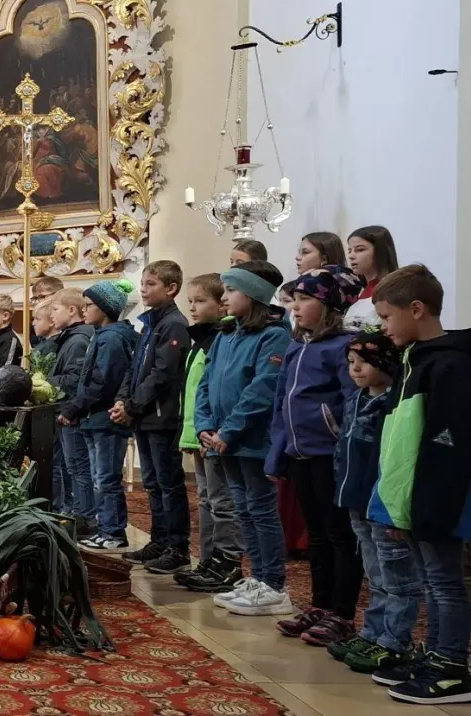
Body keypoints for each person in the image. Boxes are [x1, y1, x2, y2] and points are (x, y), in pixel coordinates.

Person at [366, 265, 471, 705]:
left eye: (386, 317)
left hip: (437, 498)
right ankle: (436, 655)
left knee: (444, 582)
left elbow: (448, 448)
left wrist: (428, 510)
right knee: (430, 578)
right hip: (412, 497)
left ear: (416, 309)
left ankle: (453, 668)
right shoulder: (414, 360)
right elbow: (402, 441)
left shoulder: (453, 363)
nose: (382, 327)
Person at [265, 265, 366, 644]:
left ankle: (342, 613)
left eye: (306, 299)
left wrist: (343, 448)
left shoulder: (342, 346)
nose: (296, 306)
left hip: (330, 455)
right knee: (318, 535)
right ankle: (320, 606)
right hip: (299, 453)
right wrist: (278, 455)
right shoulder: (296, 346)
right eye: (296, 298)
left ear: (330, 306)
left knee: (340, 535)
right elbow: (281, 404)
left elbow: (352, 401)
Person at [195, 260, 295, 617]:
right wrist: (204, 425)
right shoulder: (225, 334)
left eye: (232, 290)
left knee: (260, 510)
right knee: (242, 510)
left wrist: (229, 430)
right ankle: (257, 578)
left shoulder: (274, 335)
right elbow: (206, 383)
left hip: (250, 439)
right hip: (224, 439)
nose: (224, 296)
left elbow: (262, 390)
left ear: (254, 295)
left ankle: (274, 584)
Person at [329, 331, 419, 675]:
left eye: (363, 362)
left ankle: (396, 641)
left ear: (385, 363)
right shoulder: (355, 399)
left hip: (382, 501)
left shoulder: (392, 402)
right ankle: (373, 632)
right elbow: (344, 448)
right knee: (375, 573)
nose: (355, 369)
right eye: (351, 363)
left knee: (397, 576)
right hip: (356, 499)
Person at [114, 261, 193, 575]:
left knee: (168, 483)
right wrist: (123, 400)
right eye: (143, 284)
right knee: (152, 483)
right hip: (144, 416)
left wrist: (132, 405)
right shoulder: (150, 324)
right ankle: (159, 540)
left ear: (171, 288)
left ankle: (177, 546)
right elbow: (135, 370)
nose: (143, 290)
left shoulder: (174, 324)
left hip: (162, 416)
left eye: (150, 284)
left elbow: (162, 374)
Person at [171, 274, 245, 592]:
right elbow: (195, 391)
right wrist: (194, 431)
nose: (193, 307)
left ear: (220, 304)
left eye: (200, 301)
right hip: (200, 432)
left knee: (221, 501)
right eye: (191, 301)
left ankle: (226, 562)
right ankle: (208, 560)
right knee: (205, 499)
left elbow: (218, 390)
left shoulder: (220, 339)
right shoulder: (200, 340)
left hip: (215, 434)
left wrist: (209, 429)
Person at [65, 279, 138, 551]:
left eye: (90, 305)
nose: (85, 311)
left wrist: (76, 407)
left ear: (105, 309)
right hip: (95, 418)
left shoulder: (112, 338)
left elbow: (102, 381)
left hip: (104, 419)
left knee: (105, 479)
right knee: (100, 477)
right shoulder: (103, 335)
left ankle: (113, 531)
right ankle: (108, 528)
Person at [44, 289, 94, 530]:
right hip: (66, 411)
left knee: (77, 468)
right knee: (69, 466)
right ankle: (74, 512)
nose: (51, 315)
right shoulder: (69, 338)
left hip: (72, 413)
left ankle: (84, 517)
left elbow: (74, 380)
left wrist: (44, 383)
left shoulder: (77, 340)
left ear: (72, 310)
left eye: (55, 309)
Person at [343, 225, 399, 332]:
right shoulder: (360, 291)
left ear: (380, 252)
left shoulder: (393, 293)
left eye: (360, 250)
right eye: (350, 250)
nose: (351, 256)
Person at [28, 276, 65, 346]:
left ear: (58, 294)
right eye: (35, 298)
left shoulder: (66, 319)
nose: (37, 302)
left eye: (42, 297)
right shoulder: (35, 321)